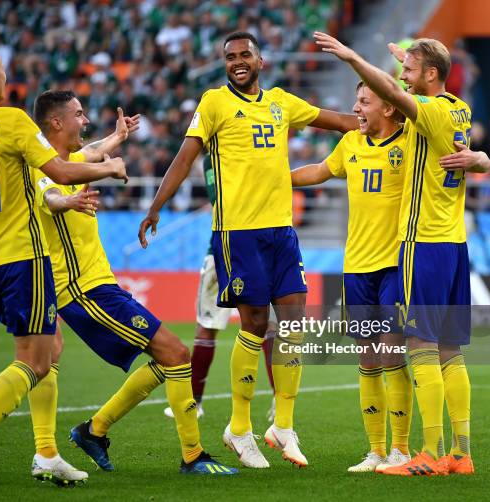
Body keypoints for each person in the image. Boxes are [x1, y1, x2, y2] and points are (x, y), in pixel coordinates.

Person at [139, 31, 359, 469]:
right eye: (230, 56)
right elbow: (185, 158)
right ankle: (240, 428)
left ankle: (283, 426)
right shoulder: (213, 102)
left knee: (294, 323)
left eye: (245, 55)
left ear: (261, 60)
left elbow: (339, 121)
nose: (237, 61)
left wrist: (398, 117)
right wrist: (157, 205)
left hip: (281, 230)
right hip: (236, 233)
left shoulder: (281, 101)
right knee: (254, 325)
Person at [0, 41, 127, 484]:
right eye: (3, 69)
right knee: (34, 361)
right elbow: (63, 172)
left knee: (50, 349)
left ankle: (47, 453)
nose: (6, 76)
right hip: (23, 258)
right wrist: (109, 168)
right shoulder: (12, 121)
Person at [31, 90, 237, 476]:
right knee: (176, 354)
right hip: (81, 291)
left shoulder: (67, 159)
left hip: (99, 286)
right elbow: (54, 196)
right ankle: (193, 457)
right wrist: (85, 188)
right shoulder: (43, 168)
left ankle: (94, 430)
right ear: (56, 122)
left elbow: (90, 151)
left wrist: (117, 138)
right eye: (79, 113)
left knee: (170, 358)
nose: (86, 120)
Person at [314, 32, 490, 476]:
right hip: (454, 241)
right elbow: (475, 154)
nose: (403, 79)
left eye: (411, 72)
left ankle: (428, 455)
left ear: (431, 75)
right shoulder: (460, 109)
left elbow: (394, 94)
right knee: (452, 351)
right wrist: (481, 158)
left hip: (422, 244)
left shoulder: (428, 111)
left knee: (422, 348)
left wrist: (353, 56)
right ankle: (462, 453)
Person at [292, 81, 413, 473]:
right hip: (356, 267)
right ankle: (376, 451)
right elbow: (318, 171)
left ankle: (402, 450)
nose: (355, 107)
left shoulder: (410, 141)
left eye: (364, 101)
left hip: (395, 264)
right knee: (368, 357)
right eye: (356, 99)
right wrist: (273, 175)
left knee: (393, 354)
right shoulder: (350, 145)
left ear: (389, 108)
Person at [162, 155, 277, 421]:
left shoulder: (227, 154)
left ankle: (277, 400)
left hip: (243, 248)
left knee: (266, 327)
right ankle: (197, 401)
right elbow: (223, 198)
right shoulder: (213, 160)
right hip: (230, 249)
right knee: (216, 326)